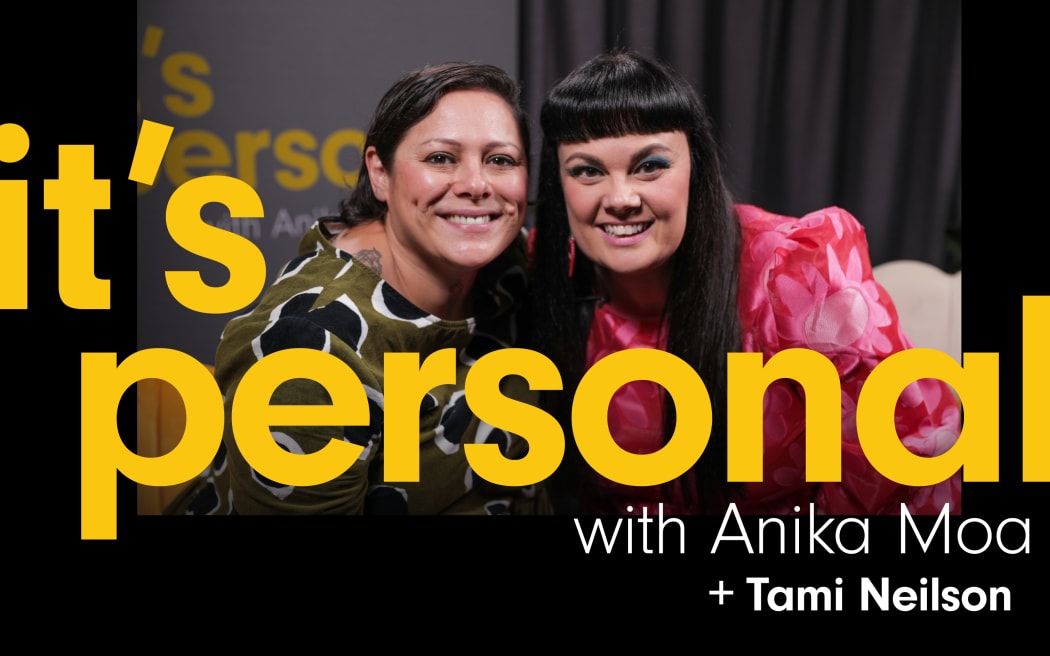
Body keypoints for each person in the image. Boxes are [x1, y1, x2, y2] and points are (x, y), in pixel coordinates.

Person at [529, 49, 962, 516]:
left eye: (650, 165)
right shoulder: (542, 272)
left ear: (695, 168)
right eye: (587, 170)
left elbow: (912, 448)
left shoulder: (794, 270)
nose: (620, 198)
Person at [168, 62, 548, 515]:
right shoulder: (310, 350)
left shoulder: (509, 268)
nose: (475, 184)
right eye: (440, 158)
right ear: (380, 173)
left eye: (500, 160)